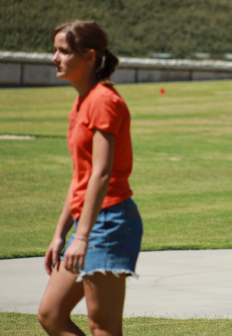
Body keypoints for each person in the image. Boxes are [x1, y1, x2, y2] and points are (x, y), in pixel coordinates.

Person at [37, 21, 142, 336]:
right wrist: (60, 234)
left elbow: (101, 173)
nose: (55, 58)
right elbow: (81, 175)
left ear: (89, 56)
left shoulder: (102, 101)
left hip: (109, 223)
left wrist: (81, 237)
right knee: (51, 315)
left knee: (103, 328)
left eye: (64, 51)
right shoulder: (82, 101)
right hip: (88, 222)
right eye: (55, 50)